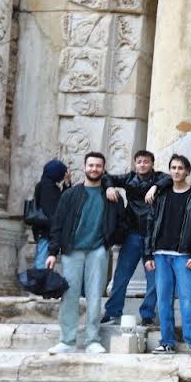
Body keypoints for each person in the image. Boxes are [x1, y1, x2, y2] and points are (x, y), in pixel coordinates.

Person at [46, 152, 126, 355]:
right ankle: (67, 340)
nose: (94, 169)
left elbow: (122, 223)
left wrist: (109, 240)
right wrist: (52, 252)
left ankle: (92, 340)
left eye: (98, 166)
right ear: (84, 167)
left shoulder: (112, 197)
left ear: (104, 168)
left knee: (95, 297)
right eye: (91, 165)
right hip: (72, 251)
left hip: (97, 251)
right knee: (69, 296)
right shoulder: (70, 195)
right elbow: (57, 224)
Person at [144, 154, 191, 355]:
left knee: (188, 299)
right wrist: (148, 255)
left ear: (187, 171)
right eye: (173, 167)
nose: (176, 171)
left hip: (184, 256)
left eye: (180, 168)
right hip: (161, 255)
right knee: (163, 300)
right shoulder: (161, 196)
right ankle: (167, 342)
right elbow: (150, 226)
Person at [101, 150, 164, 325]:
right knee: (121, 275)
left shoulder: (159, 178)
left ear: (152, 164)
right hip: (133, 233)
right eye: (139, 162)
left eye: (146, 162)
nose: (142, 165)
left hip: (153, 236)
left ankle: (148, 314)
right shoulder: (129, 178)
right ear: (135, 164)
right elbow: (106, 177)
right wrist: (109, 187)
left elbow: (168, 179)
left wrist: (155, 186)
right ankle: (113, 311)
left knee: (153, 279)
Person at [31, 159, 70, 271]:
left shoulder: (48, 185)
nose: (63, 175)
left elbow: (60, 204)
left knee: (44, 264)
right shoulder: (47, 187)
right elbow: (54, 211)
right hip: (47, 233)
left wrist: (67, 185)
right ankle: (38, 287)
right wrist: (56, 232)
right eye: (62, 173)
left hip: (47, 232)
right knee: (42, 266)